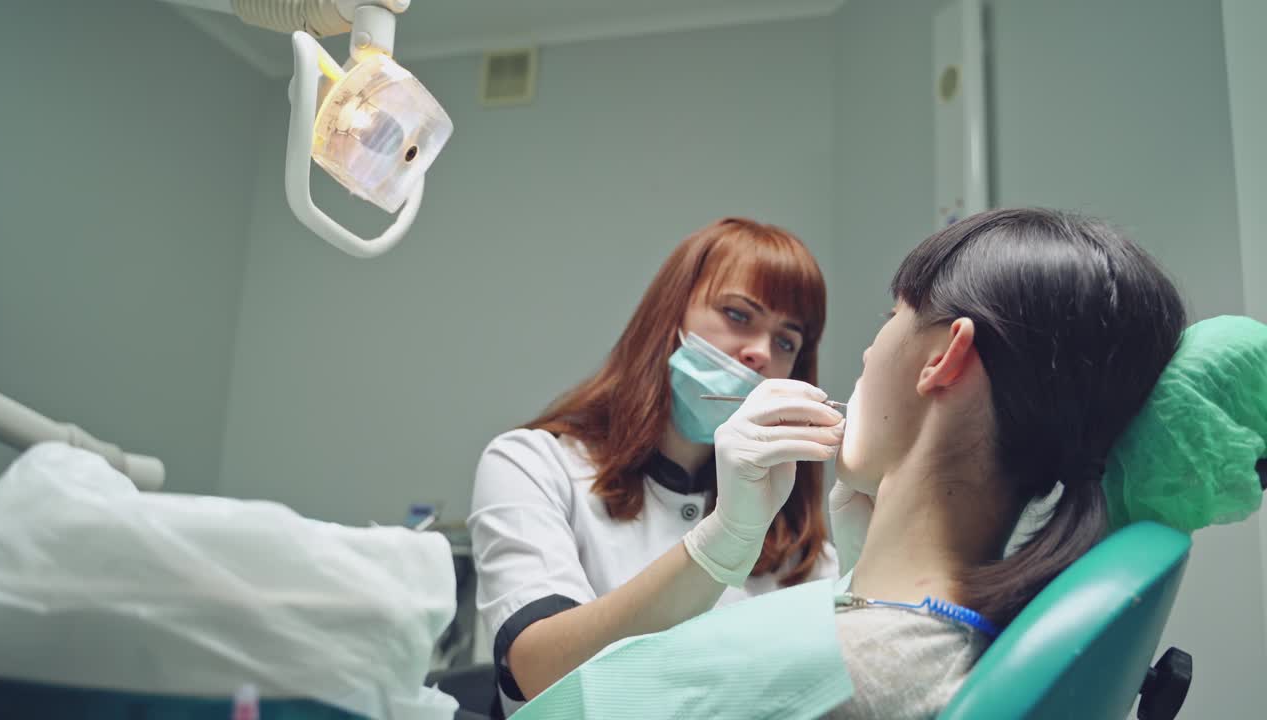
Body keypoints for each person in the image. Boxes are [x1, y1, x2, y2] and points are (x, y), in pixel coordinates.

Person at [513, 208, 1187, 720]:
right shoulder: (974, 646)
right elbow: (530, 664)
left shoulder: (807, 664)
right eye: (738, 316)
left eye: (890, 317)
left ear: (942, 358)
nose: (864, 355)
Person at [468, 217, 842, 716]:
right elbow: (538, 671)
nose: (760, 352)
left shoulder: (790, 535)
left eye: (786, 342)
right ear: (670, 316)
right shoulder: (533, 464)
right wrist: (722, 543)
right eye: (738, 314)